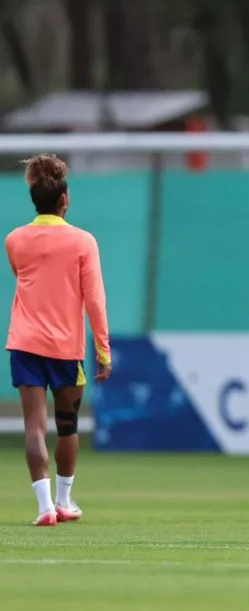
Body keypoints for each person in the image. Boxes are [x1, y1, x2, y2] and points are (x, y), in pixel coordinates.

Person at [5, 154, 112, 526]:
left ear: (34, 199)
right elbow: (94, 299)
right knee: (67, 426)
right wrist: (103, 349)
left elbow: (20, 273)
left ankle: (44, 507)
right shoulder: (83, 241)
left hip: (24, 345)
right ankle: (65, 500)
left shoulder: (15, 239)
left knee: (34, 426)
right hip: (66, 349)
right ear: (65, 200)